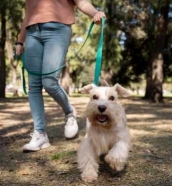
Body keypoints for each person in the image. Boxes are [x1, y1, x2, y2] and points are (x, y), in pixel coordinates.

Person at [16, 0, 106, 152]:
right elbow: (29, 14)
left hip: (57, 29)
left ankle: (69, 112)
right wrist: (20, 40)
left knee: (49, 81)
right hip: (32, 32)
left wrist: (95, 13)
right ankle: (40, 134)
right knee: (34, 85)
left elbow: (81, 2)